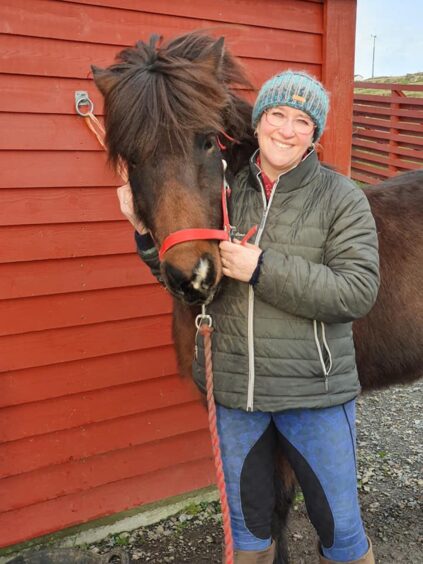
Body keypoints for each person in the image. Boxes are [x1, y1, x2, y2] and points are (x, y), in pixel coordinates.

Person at [117, 71, 379, 564]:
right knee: (249, 537)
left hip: (314, 396)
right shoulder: (223, 191)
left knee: (341, 533)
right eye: (277, 114)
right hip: (239, 399)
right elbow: (195, 282)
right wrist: (146, 236)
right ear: (257, 122)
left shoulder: (342, 198)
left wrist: (263, 269)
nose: (286, 129)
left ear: (314, 134)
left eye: (302, 121)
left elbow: (356, 292)